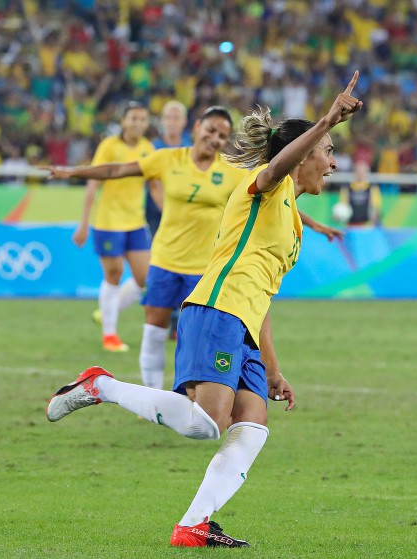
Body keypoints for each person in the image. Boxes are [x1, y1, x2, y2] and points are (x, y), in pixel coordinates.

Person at [44, 72, 363, 547]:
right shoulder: (266, 187)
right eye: (328, 151)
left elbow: (265, 296)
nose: (333, 164)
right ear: (303, 152)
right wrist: (326, 120)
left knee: (252, 427)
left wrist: (274, 369)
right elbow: (278, 167)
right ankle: (100, 386)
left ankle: (192, 525)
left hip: (246, 326)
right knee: (206, 424)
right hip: (216, 309)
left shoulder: (293, 222)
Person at [45, 107, 343, 391]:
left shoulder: (231, 172)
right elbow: (118, 170)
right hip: (165, 258)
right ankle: (151, 392)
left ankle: (176, 397)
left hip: (206, 268)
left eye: (223, 135)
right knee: (154, 329)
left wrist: (314, 224)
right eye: (211, 130)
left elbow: (274, 198)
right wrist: (73, 173)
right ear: (197, 128)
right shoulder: (168, 159)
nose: (215, 138)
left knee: (191, 359)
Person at [73, 102, 156, 352]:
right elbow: (92, 184)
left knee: (145, 279)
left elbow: (154, 185)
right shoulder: (109, 146)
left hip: (135, 222)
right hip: (108, 222)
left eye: (142, 119)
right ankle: (110, 335)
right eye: (133, 118)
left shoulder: (147, 148)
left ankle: (107, 310)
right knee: (114, 273)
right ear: (123, 121)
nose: (138, 123)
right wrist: (84, 223)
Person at [150, 101, 191, 340]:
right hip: (159, 216)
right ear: (162, 121)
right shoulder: (154, 148)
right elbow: (152, 182)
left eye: (177, 117)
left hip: (189, 218)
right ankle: (167, 319)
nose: (172, 121)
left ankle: (178, 321)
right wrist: (168, 211)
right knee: (163, 267)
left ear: (184, 122)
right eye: (168, 117)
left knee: (185, 266)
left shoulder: (191, 147)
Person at [339, 161, 382, 227]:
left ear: (367, 173)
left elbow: (376, 206)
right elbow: (343, 205)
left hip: (367, 225)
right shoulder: (347, 187)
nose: (360, 173)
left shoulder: (372, 187)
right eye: (358, 171)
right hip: (351, 224)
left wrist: (374, 217)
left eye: (362, 171)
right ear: (354, 172)